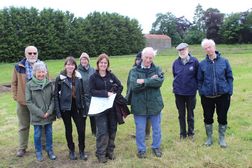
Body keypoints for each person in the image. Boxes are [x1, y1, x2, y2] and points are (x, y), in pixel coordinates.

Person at [128, 47, 164, 158]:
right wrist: (150, 81)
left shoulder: (157, 69)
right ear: (142, 57)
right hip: (139, 105)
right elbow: (134, 86)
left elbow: (159, 82)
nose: (148, 60)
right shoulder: (134, 71)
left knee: (156, 128)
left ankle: (156, 147)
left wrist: (143, 81)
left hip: (155, 105)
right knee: (140, 129)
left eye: (151, 58)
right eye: (146, 57)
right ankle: (141, 149)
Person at [198, 39, 233, 148]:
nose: (208, 49)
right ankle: (209, 138)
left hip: (223, 95)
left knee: (222, 117)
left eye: (210, 47)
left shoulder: (224, 61)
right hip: (207, 97)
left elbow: (229, 77)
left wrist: (229, 91)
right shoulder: (202, 64)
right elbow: (199, 80)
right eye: (206, 48)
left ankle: (221, 138)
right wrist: (201, 91)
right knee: (208, 117)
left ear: (214, 47)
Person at [89, 53, 123, 163]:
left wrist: (114, 93)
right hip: (99, 109)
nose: (103, 64)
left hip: (112, 108)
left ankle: (110, 151)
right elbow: (91, 91)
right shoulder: (93, 77)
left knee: (112, 129)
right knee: (102, 131)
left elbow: (120, 86)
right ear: (98, 64)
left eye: (105, 63)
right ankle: (101, 154)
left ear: (108, 64)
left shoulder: (111, 76)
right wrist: (105, 93)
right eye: (101, 62)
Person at [54, 56, 88, 160]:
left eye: (72, 64)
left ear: (75, 66)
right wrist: (58, 112)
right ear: (65, 66)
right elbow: (55, 96)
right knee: (68, 130)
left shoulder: (78, 77)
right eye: (68, 64)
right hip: (65, 108)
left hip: (77, 107)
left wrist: (84, 108)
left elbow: (82, 93)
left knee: (81, 130)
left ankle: (82, 150)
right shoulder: (60, 78)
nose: (70, 66)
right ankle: (71, 150)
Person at [11, 46, 41, 157]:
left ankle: (43, 145)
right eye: (30, 53)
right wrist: (16, 97)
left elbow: (47, 81)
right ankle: (22, 147)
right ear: (25, 54)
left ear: (37, 54)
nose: (32, 55)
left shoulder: (42, 65)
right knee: (23, 125)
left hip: (38, 102)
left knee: (41, 124)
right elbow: (13, 83)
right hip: (23, 102)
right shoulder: (18, 67)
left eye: (34, 53)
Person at [25, 61, 56, 161]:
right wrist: (41, 113)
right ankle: (38, 152)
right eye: (39, 72)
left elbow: (53, 99)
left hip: (48, 115)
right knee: (37, 134)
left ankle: (50, 151)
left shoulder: (50, 84)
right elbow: (28, 102)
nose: (41, 74)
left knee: (49, 133)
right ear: (34, 73)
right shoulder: (29, 85)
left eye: (43, 72)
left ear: (46, 72)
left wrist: (49, 111)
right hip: (37, 116)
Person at [172, 43, 199, 139]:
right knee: (181, 114)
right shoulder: (175, 63)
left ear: (187, 49)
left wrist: (195, 87)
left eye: (183, 49)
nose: (182, 52)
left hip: (191, 93)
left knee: (190, 114)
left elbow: (198, 76)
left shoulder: (194, 61)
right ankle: (182, 134)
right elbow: (175, 76)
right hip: (179, 93)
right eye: (180, 50)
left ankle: (191, 133)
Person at [125, 51, 151, 139]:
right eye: (137, 59)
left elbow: (146, 83)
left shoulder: (146, 70)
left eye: (140, 59)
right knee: (137, 115)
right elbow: (130, 84)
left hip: (145, 96)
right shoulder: (133, 70)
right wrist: (128, 95)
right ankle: (140, 133)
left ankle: (147, 134)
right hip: (134, 96)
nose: (138, 61)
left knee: (147, 115)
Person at [77, 52, 96, 136]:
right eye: (82, 59)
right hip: (82, 98)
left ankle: (95, 132)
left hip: (92, 97)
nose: (84, 61)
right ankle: (82, 134)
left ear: (88, 60)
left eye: (85, 59)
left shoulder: (93, 70)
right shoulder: (76, 70)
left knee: (94, 116)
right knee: (82, 117)